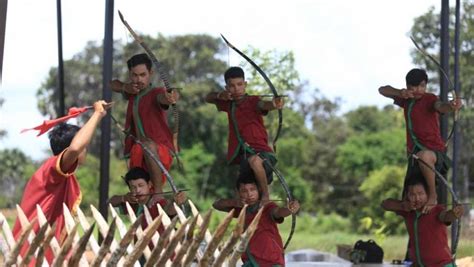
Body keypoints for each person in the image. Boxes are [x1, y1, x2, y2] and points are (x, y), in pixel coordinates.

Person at [12, 100, 110, 262]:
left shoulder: (62, 173)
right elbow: (75, 148)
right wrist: (97, 114)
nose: (84, 150)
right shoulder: (53, 170)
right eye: (84, 147)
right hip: (31, 253)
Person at [378, 68, 462, 212]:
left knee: (424, 156)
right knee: (410, 198)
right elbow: (382, 90)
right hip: (414, 157)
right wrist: (400, 93)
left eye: (422, 86)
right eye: (414, 86)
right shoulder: (406, 99)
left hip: (434, 155)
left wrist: (451, 106)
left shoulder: (430, 98)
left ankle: (433, 196)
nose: (418, 90)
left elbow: (440, 107)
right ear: (408, 86)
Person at [205, 66, 284, 202]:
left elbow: (264, 105)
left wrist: (274, 104)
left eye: (240, 84)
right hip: (244, 157)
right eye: (232, 86)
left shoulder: (253, 101)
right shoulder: (229, 103)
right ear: (227, 88)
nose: (236, 89)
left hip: (262, 154)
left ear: (245, 84)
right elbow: (208, 98)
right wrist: (220, 95)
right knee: (242, 194)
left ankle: (266, 196)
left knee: (254, 161)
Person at [110, 53, 179, 194]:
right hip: (138, 151)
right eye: (134, 75)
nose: (138, 79)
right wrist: (125, 87)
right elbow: (111, 84)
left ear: (151, 73)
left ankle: (159, 193)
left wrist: (171, 96)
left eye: (143, 75)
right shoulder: (132, 91)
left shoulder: (156, 92)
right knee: (140, 192)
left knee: (147, 145)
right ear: (130, 74)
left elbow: (164, 97)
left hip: (159, 151)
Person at [213, 173, 299, 267]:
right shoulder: (242, 209)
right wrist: (235, 202)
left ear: (259, 190)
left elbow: (279, 212)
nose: (249, 194)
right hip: (251, 261)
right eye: (244, 191)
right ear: (238, 193)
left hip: (271, 261)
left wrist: (289, 209)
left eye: (252, 189)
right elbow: (216, 204)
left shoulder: (268, 207)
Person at [381, 175, 463, 267]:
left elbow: (446, 216)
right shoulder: (408, 211)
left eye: (420, 194)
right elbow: (385, 204)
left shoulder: (436, 210)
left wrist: (454, 213)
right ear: (407, 195)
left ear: (428, 194)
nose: (417, 198)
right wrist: (403, 206)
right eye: (412, 194)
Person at [108, 166, 187, 222]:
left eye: (141, 185)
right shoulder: (133, 204)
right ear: (129, 189)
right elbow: (109, 202)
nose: (138, 190)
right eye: (133, 187)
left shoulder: (157, 201)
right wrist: (124, 198)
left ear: (149, 185)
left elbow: (169, 210)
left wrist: (176, 201)